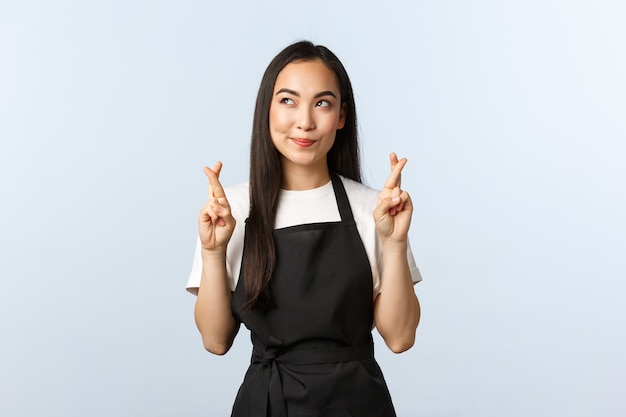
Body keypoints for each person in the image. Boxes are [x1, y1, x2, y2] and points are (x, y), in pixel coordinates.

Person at [186, 40, 421, 417]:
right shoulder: (230, 211)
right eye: (288, 101)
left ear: (342, 116)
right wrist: (214, 251)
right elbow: (215, 341)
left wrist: (394, 243)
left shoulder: (374, 209)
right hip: (266, 404)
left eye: (322, 103)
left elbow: (400, 337)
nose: (305, 121)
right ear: (267, 109)